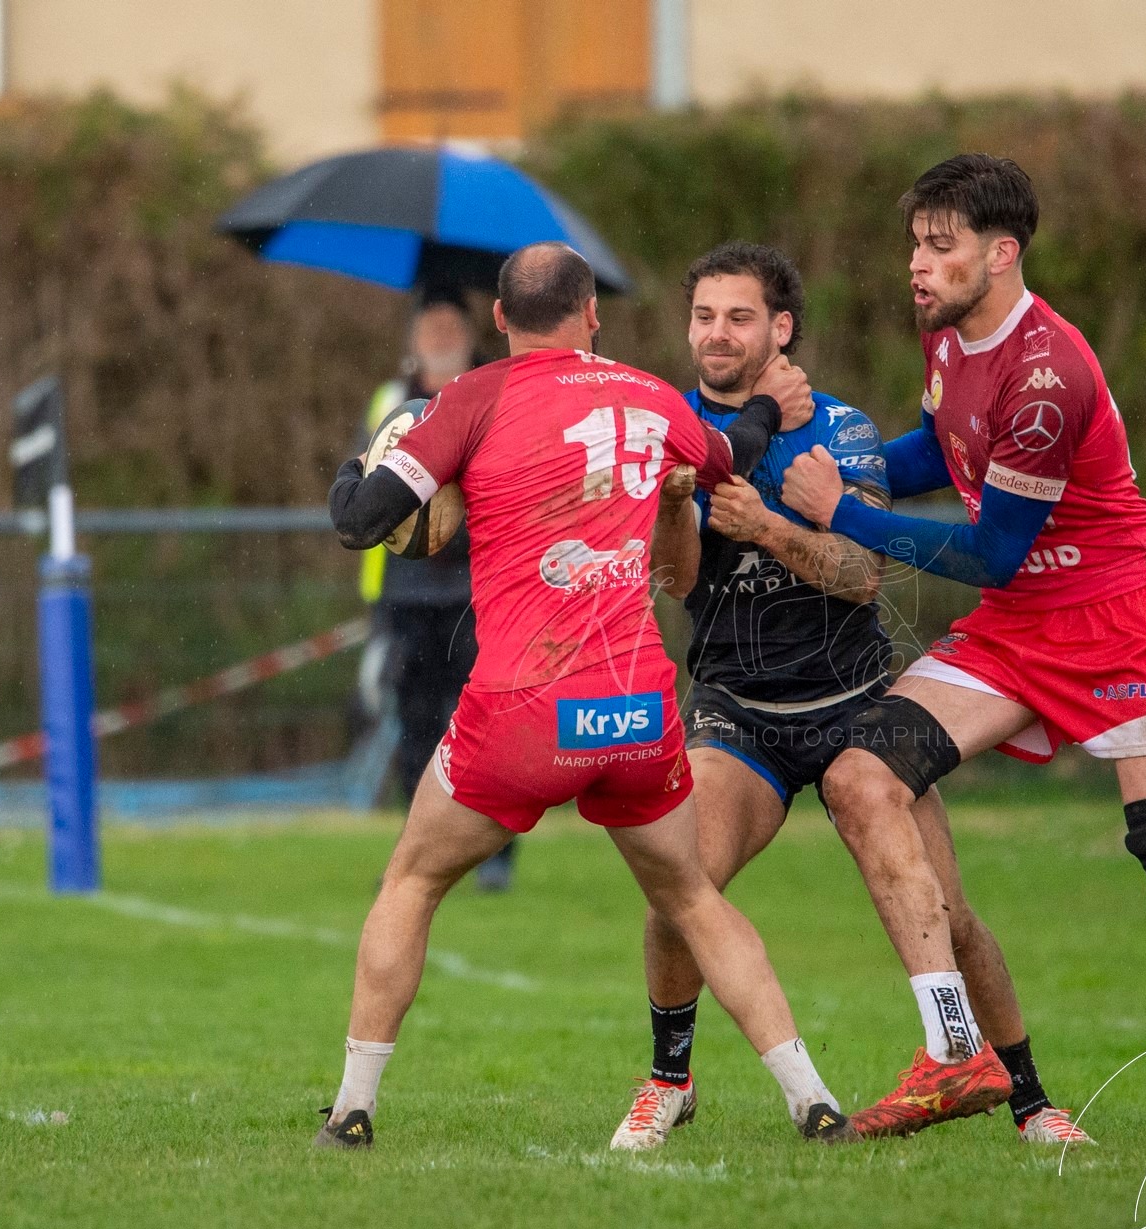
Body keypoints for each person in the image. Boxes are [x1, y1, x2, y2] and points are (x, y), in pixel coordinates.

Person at [780, 154, 1146, 1141]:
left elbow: (988, 550)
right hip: (1020, 627)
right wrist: (838, 468)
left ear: (1001, 252)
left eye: (941, 247)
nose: (916, 268)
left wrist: (839, 507)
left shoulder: (1049, 374)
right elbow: (939, 449)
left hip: (1116, 623)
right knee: (861, 776)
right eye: (913, 247)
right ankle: (956, 1050)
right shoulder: (951, 342)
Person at [316, 241, 857, 1149]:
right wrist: (772, 401)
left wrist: (348, 473)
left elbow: (360, 523)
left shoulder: (471, 401)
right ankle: (812, 1099)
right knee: (692, 897)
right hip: (638, 711)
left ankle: (352, 1111)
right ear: (593, 314)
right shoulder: (648, 395)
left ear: (498, 319)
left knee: (410, 880)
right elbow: (734, 452)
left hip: (522, 714)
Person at [612, 241, 1087, 1149]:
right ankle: (669, 1078)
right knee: (680, 885)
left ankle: (1027, 1097)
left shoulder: (841, 429)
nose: (717, 334)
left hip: (854, 705)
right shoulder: (670, 427)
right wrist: (682, 509)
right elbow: (674, 580)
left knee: (949, 914)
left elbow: (863, 574)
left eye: (739, 316)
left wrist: (768, 527)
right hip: (737, 713)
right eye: (704, 316)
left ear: (781, 328)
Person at [357, 296, 519, 891]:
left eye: (451, 325)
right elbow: (367, 486)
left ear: (472, 333)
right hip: (407, 597)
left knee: (491, 723)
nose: (440, 335)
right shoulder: (388, 402)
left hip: (482, 591)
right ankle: (420, 848)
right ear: (414, 335)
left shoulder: (494, 394)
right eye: (430, 326)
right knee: (419, 723)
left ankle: (497, 850)